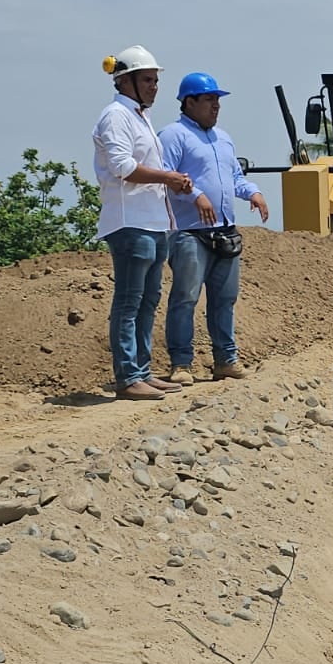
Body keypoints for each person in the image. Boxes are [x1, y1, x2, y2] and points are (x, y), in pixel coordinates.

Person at [92, 45, 194, 401]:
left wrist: (169, 181)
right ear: (125, 81)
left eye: (155, 80)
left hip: (152, 222)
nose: (154, 86)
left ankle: (142, 371)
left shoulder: (139, 117)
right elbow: (123, 167)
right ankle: (127, 376)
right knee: (129, 301)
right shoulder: (116, 116)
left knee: (148, 299)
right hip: (129, 221)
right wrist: (168, 177)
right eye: (147, 80)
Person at [158, 72, 270, 384]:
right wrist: (195, 195)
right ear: (189, 102)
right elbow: (165, 176)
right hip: (189, 232)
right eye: (209, 99)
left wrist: (253, 192)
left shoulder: (223, 138)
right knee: (185, 298)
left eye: (217, 100)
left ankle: (226, 360)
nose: (216, 105)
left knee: (225, 299)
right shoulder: (173, 135)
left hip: (225, 231)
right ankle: (181, 364)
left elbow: (234, 177)